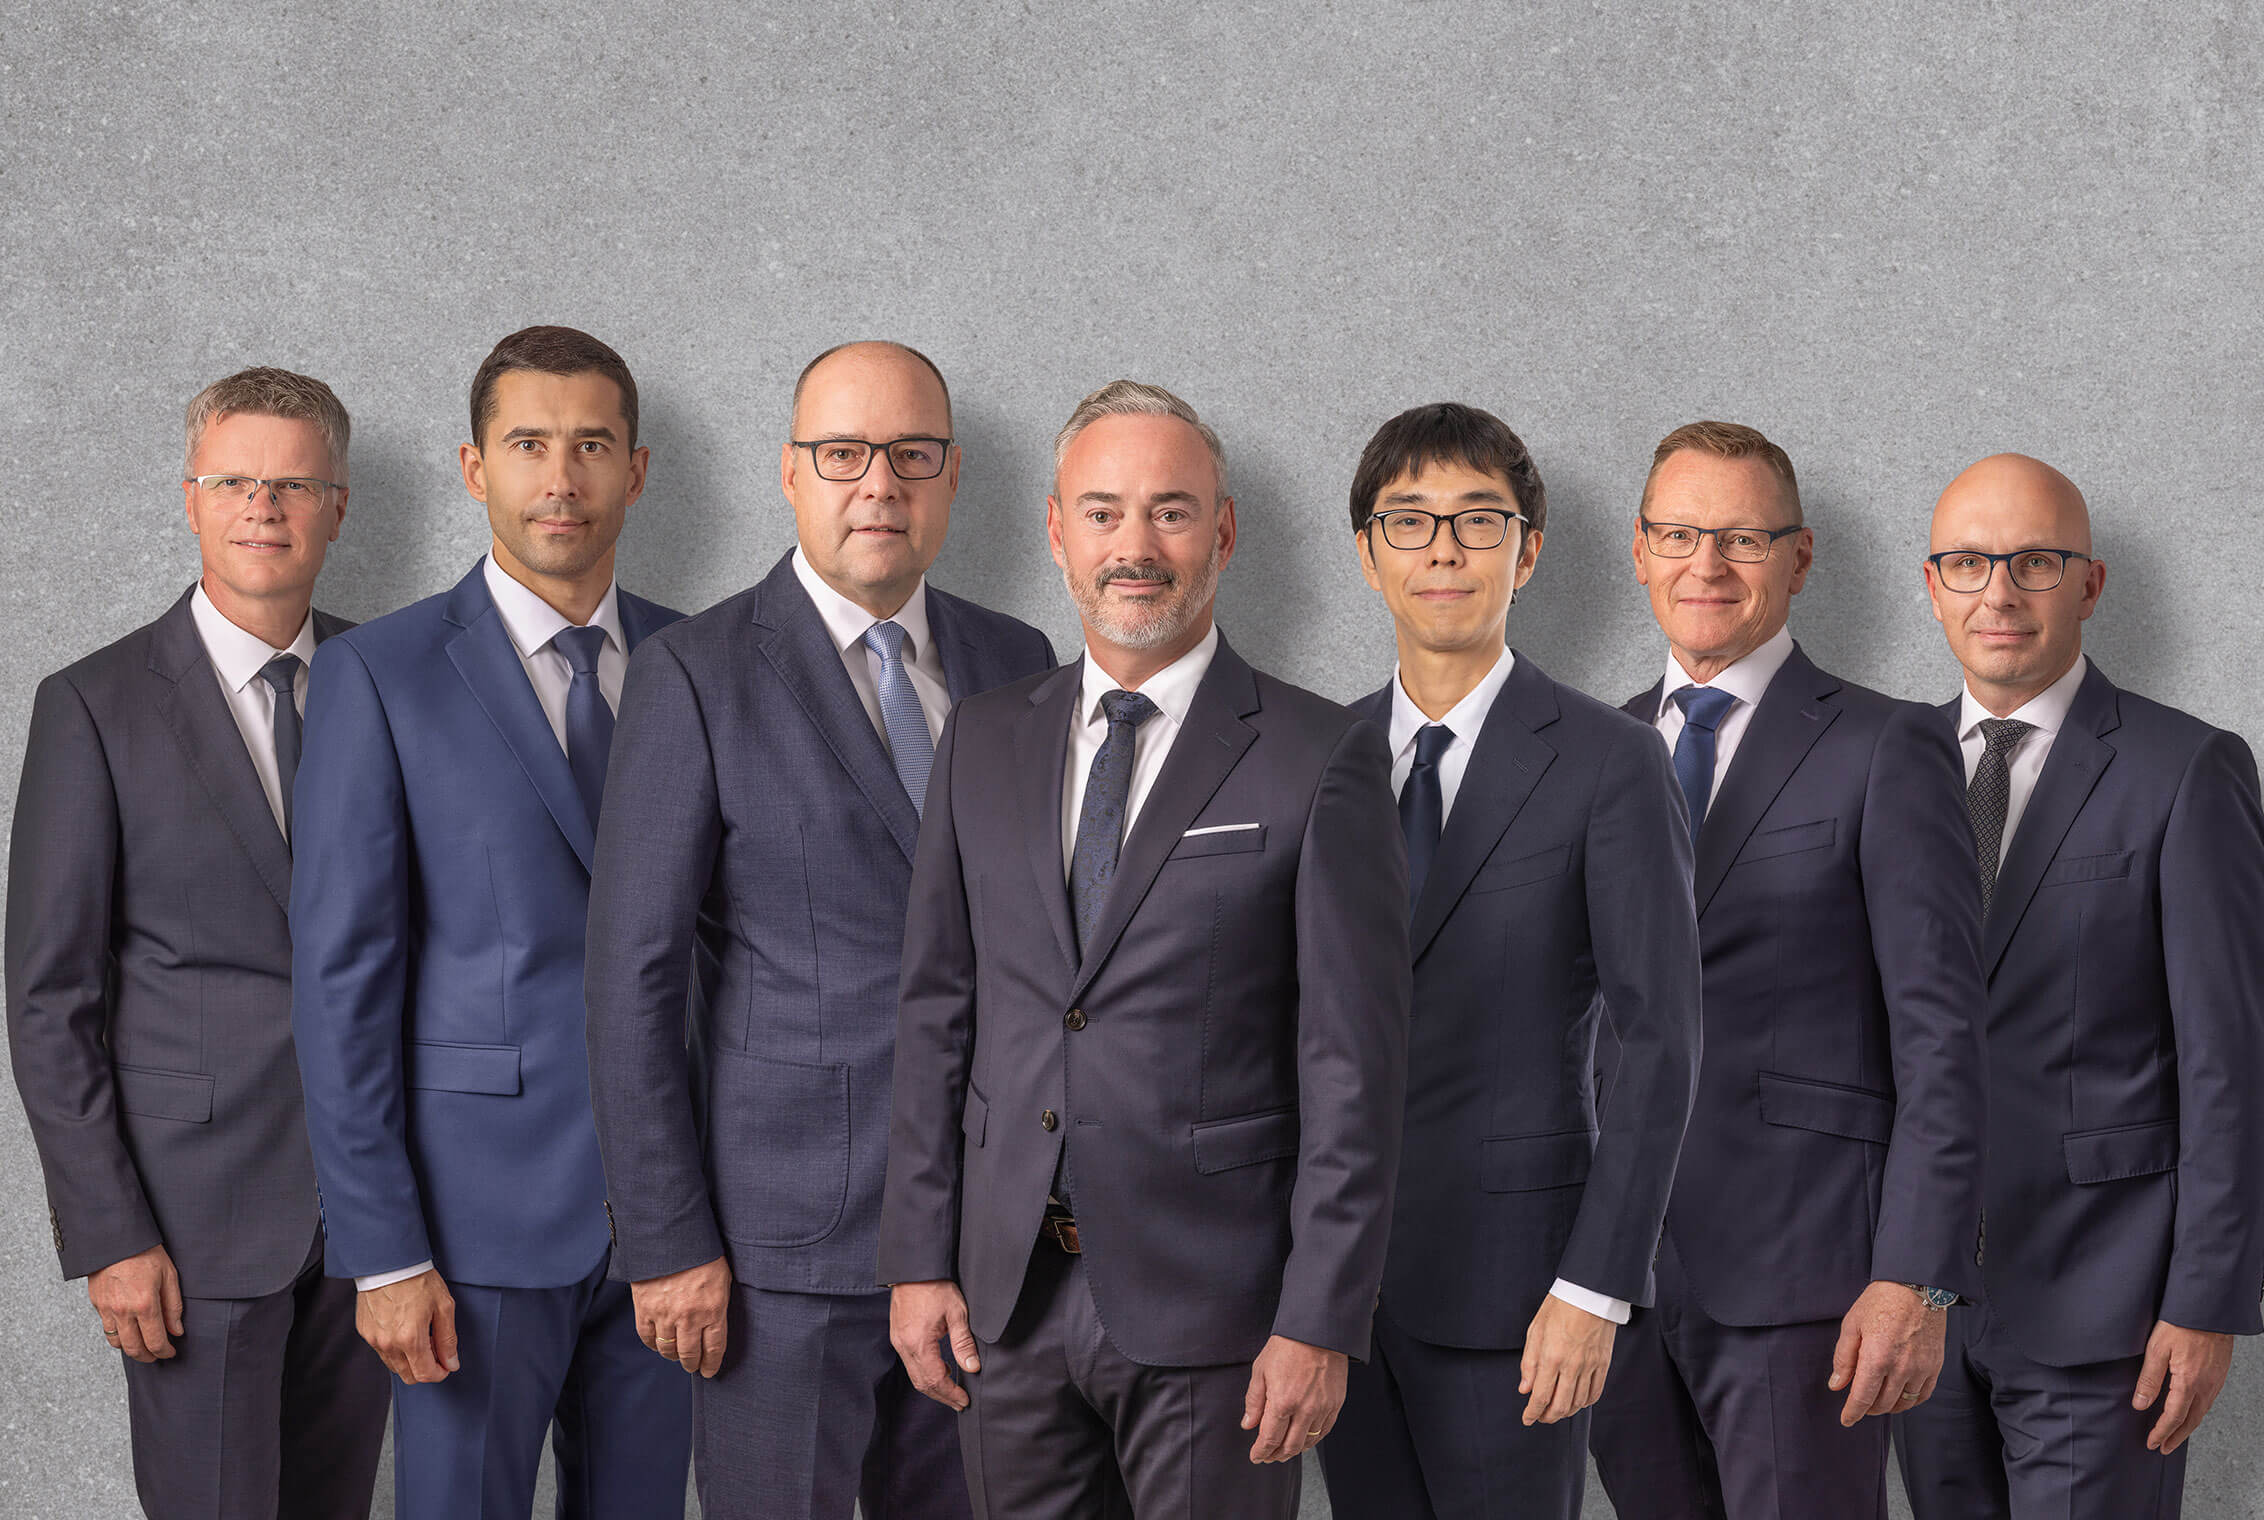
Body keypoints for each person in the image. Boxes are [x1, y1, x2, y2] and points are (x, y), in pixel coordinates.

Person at [876, 380, 1411, 1518]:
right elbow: (935, 1012)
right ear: (1057, 533)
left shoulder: (1319, 755)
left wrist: (1318, 1316)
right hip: (1004, 1298)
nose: (1136, 545)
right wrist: (917, 1257)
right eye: (1105, 511)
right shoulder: (980, 736)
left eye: (1170, 512)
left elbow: (1352, 1070)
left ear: (1221, 534)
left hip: (1217, 1312)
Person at [584, 340, 1053, 1518]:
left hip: (996, 1234)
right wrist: (667, 1237)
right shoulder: (692, 672)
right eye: (842, 453)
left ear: (952, 477)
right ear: (790, 475)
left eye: (911, 454)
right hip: (777, 1253)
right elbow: (629, 979)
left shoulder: (1021, 662)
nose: (877, 483)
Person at [290, 327, 690, 1518]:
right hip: (468, 1232)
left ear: (637, 468)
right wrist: (385, 1250)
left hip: (673, 1227)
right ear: (476, 468)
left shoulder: (701, 663)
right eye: (528, 444)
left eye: (589, 445)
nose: (559, 477)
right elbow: (340, 980)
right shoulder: (383, 673)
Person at [1588, 420, 1988, 1519]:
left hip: (1806, 1278)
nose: (1702, 566)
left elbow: (1943, 1038)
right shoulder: (1588, 751)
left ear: (1799, 559)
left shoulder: (1886, 747)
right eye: (1675, 534)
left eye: (1740, 539)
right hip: (1608, 1279)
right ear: (1636, 550)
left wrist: (1915, 1274)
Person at [6, 366, 387, 1519]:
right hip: (191, 1222)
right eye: (233, 480)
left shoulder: (395, 678)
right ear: (189, 498)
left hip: (376, 1219)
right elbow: (48, 994)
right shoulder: (94, 704)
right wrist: (109, 1232)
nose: (260, 506)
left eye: (290, 482)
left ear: (337, 505)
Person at [1320, 402, 1702, 1520]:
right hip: (1333, 1291)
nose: (1442, 548)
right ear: (1366, 553)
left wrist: (1594, 1286)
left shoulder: (1611, 760)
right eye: (1408, 520)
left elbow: (1661, 1040)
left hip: (1519, 1293)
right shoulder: (1315, 757)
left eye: (1477, 520)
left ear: (1526, 549)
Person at [1894, 454, 2264, 1519]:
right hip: (1912, 1303)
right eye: (1966, 562)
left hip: (2104, 1305)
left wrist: (2205, 1303)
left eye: (2033, 562)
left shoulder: (2183, 770)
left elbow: (2227, 1063)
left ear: (2088, 584)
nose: (1996, 592)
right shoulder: (1889, 761)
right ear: (1931, 585)